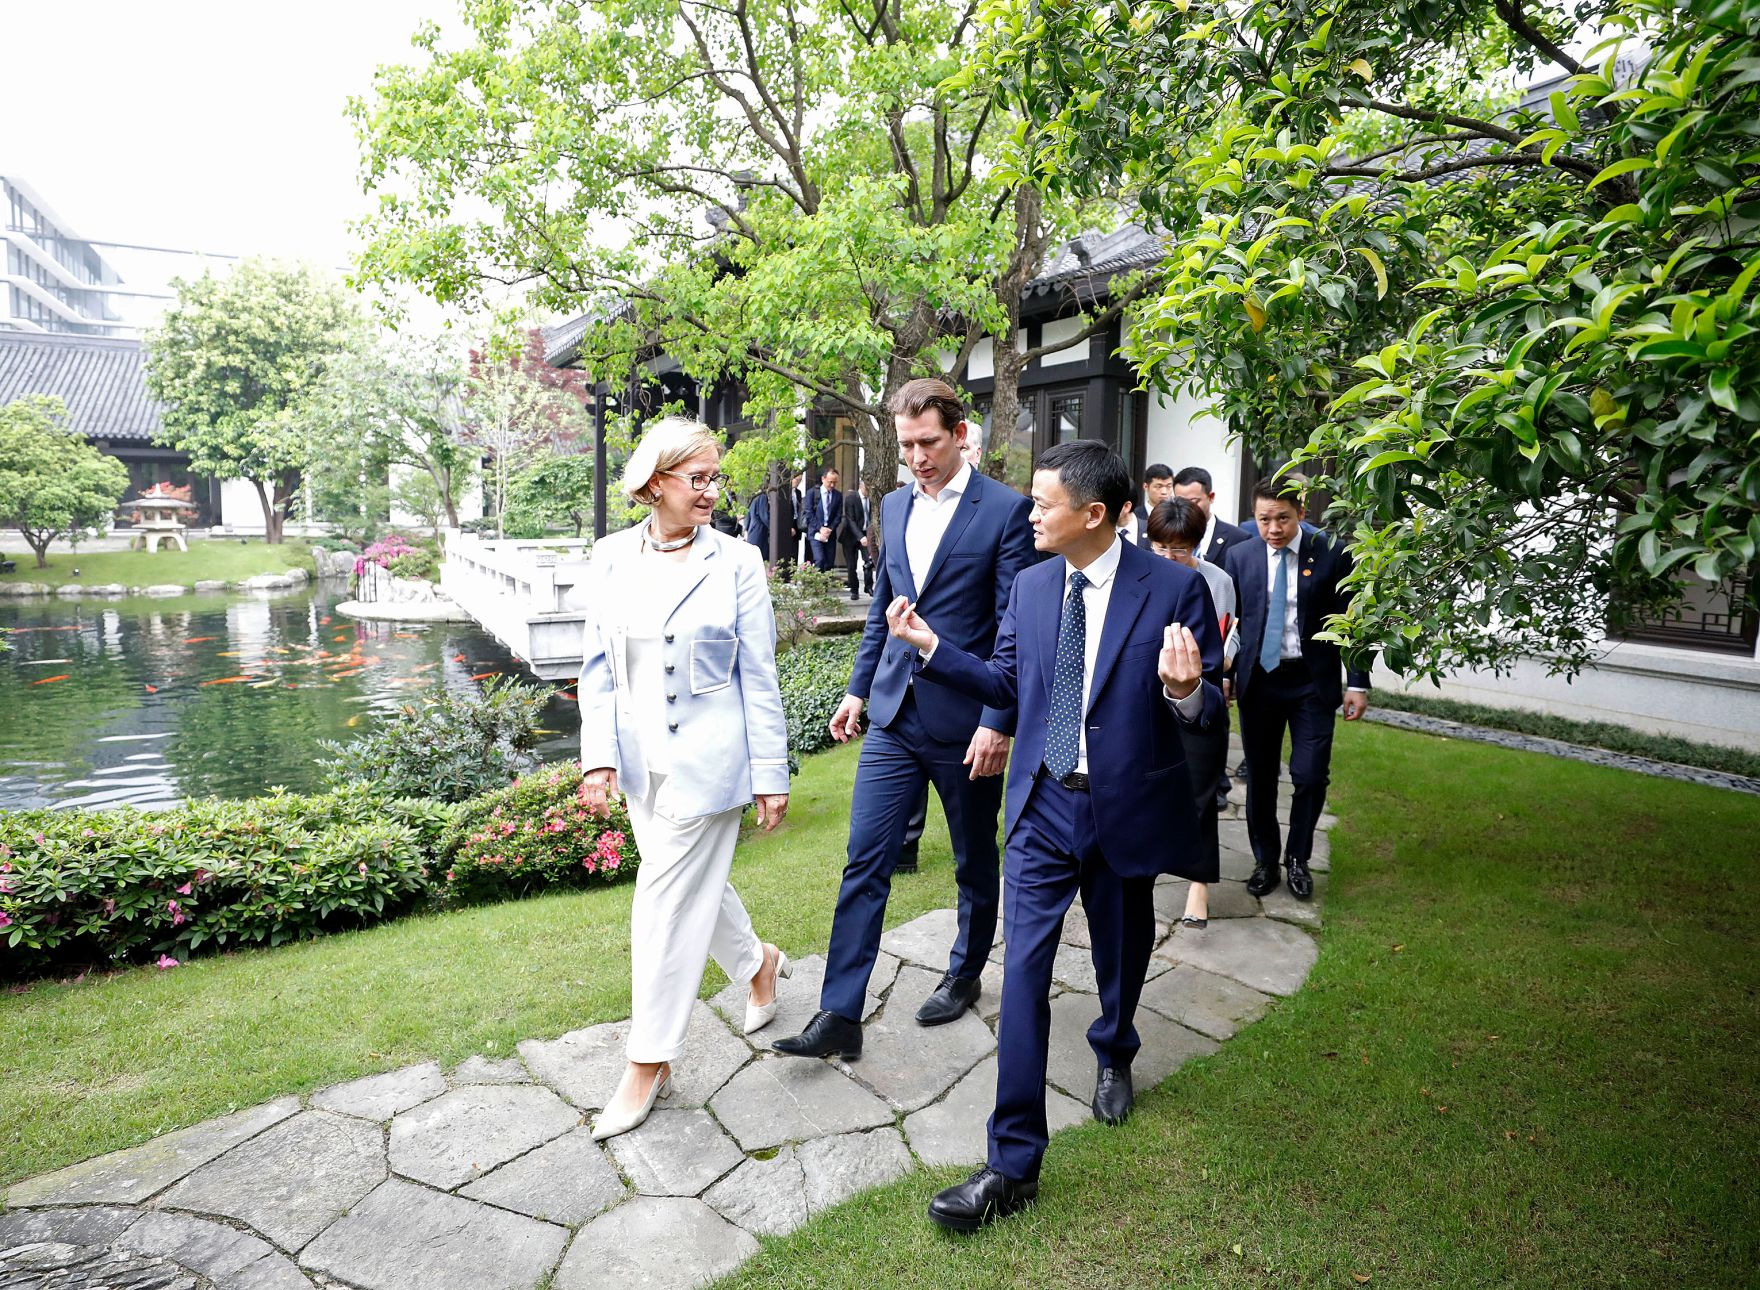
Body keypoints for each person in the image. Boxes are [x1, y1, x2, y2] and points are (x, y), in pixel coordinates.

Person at [884, 439, 1225, 1231]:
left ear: (1094, 514)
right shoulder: (1034, 586)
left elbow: (1207, 708)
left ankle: (1115, 1049)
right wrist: (934, 649)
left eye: (1044, 503)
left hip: (1123, 812)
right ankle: (1012, 1165)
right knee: (1024, 978)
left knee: (1119, 953)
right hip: (1040, 810)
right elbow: (1008, 682)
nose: (1030, 514)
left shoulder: (1173, 590)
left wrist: (1185, 692)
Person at [772, 378, 1036, 1061]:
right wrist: (857, 691)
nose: (916, 457)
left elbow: (1014, 628)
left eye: (928, 443)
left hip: (967, 719)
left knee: (976, 859)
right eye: (907, 444)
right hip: (893, 713)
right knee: (866, 857)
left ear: (959, 434)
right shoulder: (891, 502)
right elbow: (884, 610)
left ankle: (966, 972)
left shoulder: (1006, 511)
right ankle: (839, 1013)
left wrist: (999, 717)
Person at [577, 417, 793, 1141]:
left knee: (663, 904)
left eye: (714, 478)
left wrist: (770, 772)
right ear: (656, 482)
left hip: (710, 764)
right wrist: (599, 757)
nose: (709, 492)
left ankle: (648, 1062)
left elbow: (759, 678)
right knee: (697, 887)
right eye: (696, 478)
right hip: (644, 769)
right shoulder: (609, 558)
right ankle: (758, 963)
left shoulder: (736, 562)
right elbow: (599, 669)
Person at [1224, 474, 1371, 902]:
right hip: (1261, 680)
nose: (1273, 529)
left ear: (1302, 514)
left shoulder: (1332, 552)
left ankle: (1298, 858)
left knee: (1308, 775)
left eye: (1283, 519)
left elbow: (1353, 620)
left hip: (1311, 680)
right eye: (1264, 519)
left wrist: (1357, 682)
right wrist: (1228, 674)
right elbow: (1233, 623)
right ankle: (1266, 859)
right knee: (1262, 777)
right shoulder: (1241, 556)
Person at [1146, 497, 1239, 929]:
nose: (1170, 557)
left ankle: (1198, 885)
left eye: (1179, 549)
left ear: (1196, 547)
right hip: (1148, 704)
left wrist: (1219, 660)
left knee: (1200, 795)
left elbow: (1231, 633)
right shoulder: (1140, 578)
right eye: (1161, 548)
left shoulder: (1217, 581)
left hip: (1201, 699)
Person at [1171, 465, 1248, 565]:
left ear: (1211, 497)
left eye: (1193, 501)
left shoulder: (1238, 538)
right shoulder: (1165, 535)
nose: (1186, 508)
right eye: (1180, 501)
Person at [837, 478, 873, 600]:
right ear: (861, 486)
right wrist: (860, 536)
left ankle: (868, 586)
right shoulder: (851, 497)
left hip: (865, 534)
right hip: (850, 536)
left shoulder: (871, 499)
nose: (868, 491)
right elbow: (850, 519)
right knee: (851, 565)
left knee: (869, 561)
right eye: (867, 488)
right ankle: (854, 589)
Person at [803, 469, 844, 573]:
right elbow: (809, 513)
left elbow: (838, 516)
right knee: (819, 559)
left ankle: (825, 587)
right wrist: (820, 528)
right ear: (823, 479)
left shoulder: (838, 495)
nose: (832, 485)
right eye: (830, 481)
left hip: (830, 534)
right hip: (816, 532)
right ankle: (817, 585)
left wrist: (829, 529)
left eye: (835, 482)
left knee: (829, 563)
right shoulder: (812, 493)